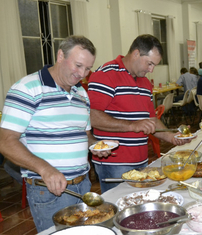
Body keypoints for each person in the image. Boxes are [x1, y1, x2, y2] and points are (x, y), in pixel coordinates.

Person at [0, 35, 113, 232]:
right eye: (78, 65)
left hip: (83, 185)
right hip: (49, 191)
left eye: (87, 68)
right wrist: (45, 168)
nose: (82, 74)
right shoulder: (27, 88)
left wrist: (96, 145)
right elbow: (6, 141)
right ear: (61, 56)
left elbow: (84, 135)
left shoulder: (81, 94)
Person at [87, 34, 192, 193]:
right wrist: (132, 126)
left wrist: (172, 137)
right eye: (149, 63)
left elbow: (151, 120)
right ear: (136, 53)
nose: (151, 70)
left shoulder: (144, 82)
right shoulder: (106, 74)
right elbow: (91, 117)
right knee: (120, 210)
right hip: (115, 162)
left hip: (141, 160)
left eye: (154, 65)